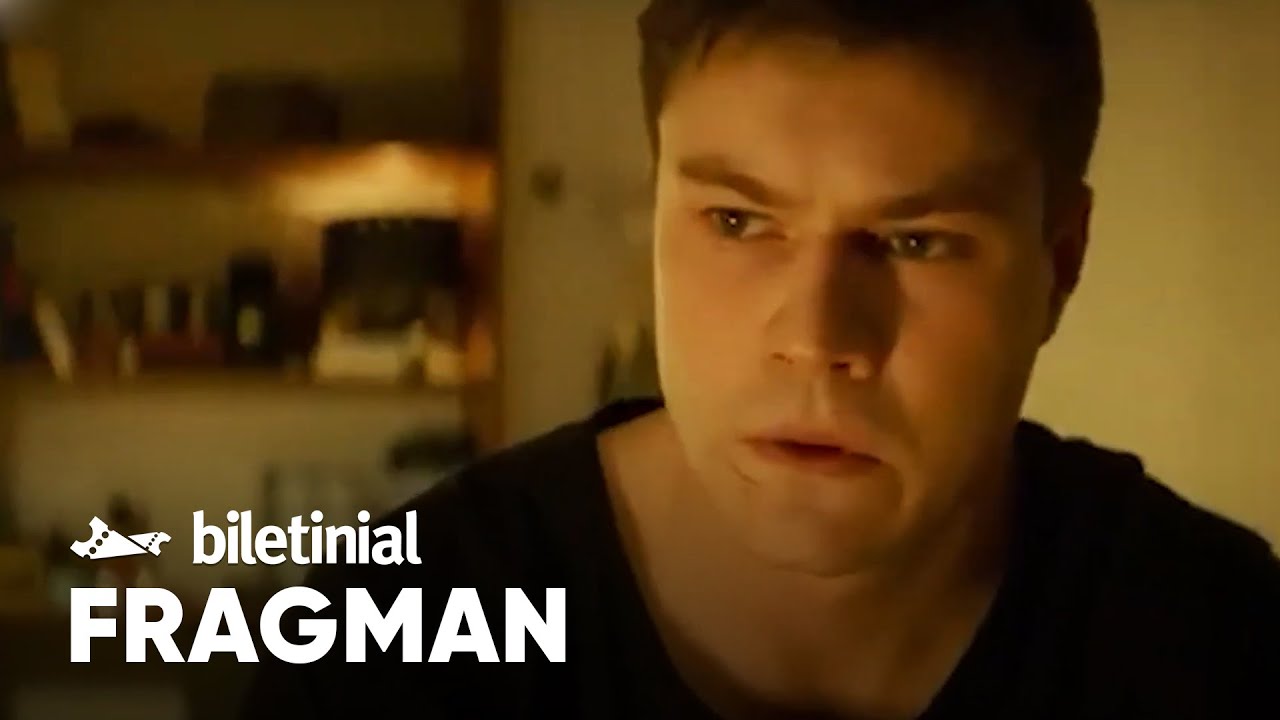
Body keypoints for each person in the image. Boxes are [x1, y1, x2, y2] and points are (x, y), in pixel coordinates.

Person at [241, 1, 1280, 717]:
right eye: (737, 222)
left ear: (1060, 264)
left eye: (916, 242)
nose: (817, 340)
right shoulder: (389, 640)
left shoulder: (1211, 640)